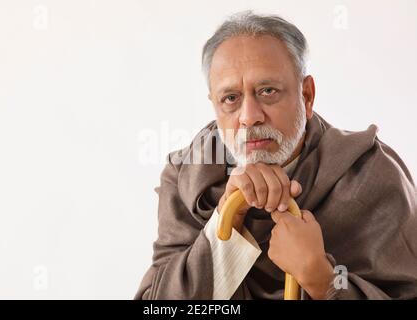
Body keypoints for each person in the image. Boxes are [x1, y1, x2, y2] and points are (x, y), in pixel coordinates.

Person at [135, 11, 417, 300]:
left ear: (307, 96)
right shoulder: (185, 175)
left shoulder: (371, 172)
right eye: (230, 98)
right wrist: (227, 226)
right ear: (215, 105)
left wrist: (322, 279)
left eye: (268, 91)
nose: (249, 117)